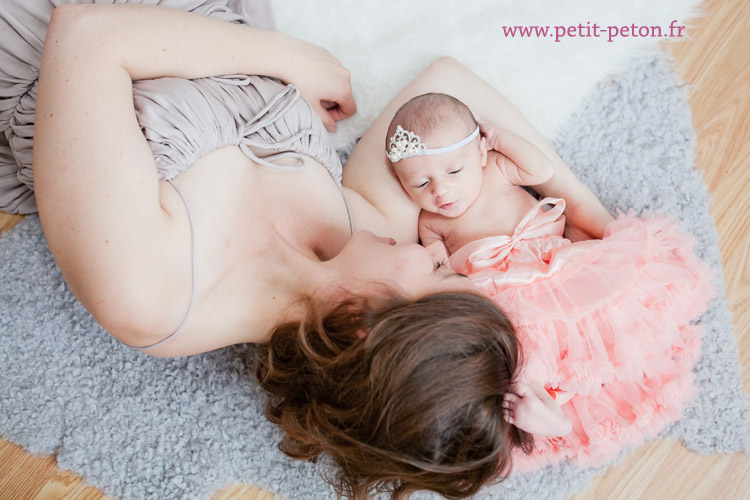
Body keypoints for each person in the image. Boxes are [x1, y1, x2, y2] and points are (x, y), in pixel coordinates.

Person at [0, 2, 618, 498]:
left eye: (441, 275)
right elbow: (446, 90)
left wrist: (283, 56)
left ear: (359, 325)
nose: (440, 252)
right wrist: (589, 215)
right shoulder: (360, 235)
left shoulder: (148, 292)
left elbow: (85, 35)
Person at [385, 92, 717, 471]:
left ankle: (587, 378)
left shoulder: (496, 167)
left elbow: (539, 171)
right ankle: (548, 410)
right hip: (507, 296)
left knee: (602, 321)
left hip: (559, 266)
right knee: (521, 356)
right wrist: (435, 260)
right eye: (419, 183)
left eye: (454, 172)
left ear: (479, 152)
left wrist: (500, 140)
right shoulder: (431, 223)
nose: (440, 191)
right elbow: (438, 271)